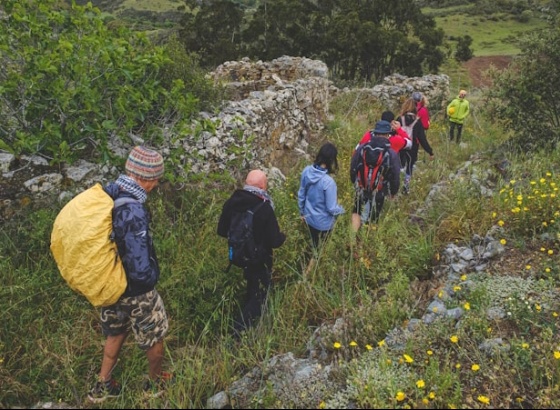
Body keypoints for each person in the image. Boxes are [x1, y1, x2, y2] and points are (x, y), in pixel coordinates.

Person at [88, 146, 171, 403]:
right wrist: (149, 283)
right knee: (155, 334)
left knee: (115, 332)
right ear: (145, 177)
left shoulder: (108, 195)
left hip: (110, 284)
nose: (156, 184)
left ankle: (102, 386)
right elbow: (137, 261)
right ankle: (154, 384)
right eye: (156, 178)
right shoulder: (132, 209)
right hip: (134, 289)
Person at [217, 169, 286, 337]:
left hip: (239, 255)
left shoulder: (232, 202)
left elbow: (221, 230)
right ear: (263, 185)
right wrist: (284, 236)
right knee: (259, 296)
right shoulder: (264, 207)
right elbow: (275, 241)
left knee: (251, 288)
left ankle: (244, 321)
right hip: (260, 259)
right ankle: (237, 332)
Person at [351, 120, 401, 232]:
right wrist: (393, 192)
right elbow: (395, 175)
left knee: (357, 210)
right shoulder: (391, 153)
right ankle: (366, 239)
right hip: (379, 190)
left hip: (361, 186)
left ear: (374, 133)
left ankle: (352, 237)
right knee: (374, 215)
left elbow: (353, 165)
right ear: (388, 135)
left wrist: (354, 181)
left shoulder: (362, 148)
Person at [297, 142, 345, 251]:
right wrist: (342, 210)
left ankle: (307, 262)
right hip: (323, 224)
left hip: (308, 218)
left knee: (312, 243)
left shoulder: (306, 171)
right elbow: (331, 208)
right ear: (332, 160)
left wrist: (302, 213)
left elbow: (301, 194)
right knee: (320, 249)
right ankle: (311, 267)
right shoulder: (328, 182)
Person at [397, 98, 434, 194]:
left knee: (399, 166)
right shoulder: (417, 122)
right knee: (409, 167)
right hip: (412, 149)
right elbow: (422, 139)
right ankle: (406, 187)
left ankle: (396, 186)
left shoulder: (399, 119)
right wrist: (430, 151)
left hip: (400, 147)